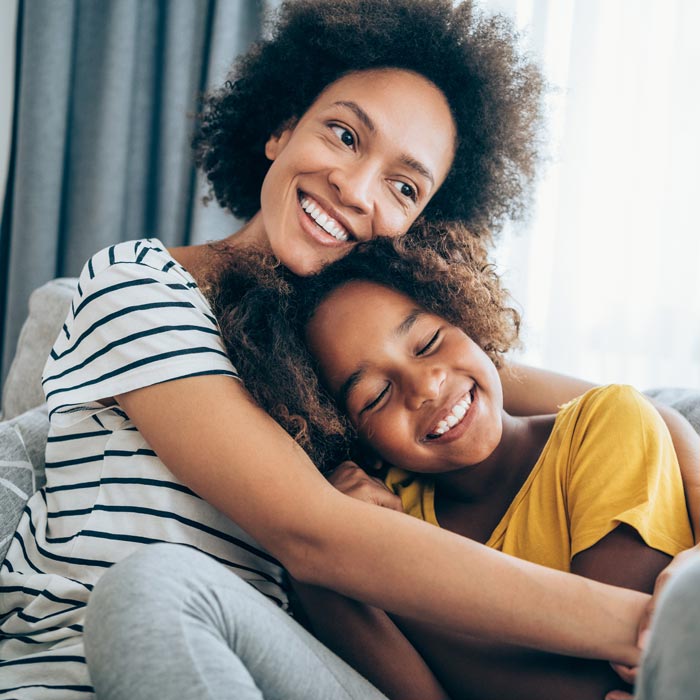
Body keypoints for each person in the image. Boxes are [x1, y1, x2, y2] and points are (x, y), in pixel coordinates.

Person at [1, 1, 697, 698]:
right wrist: (655, 628)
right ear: (280, 127)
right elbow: (313, 535)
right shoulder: (140, 284)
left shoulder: (350, 347)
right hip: (80, 653)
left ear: (419, 225)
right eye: (343, 134)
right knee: (154, 586)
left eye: (404, 186)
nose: (355, 188)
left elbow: (621, 409)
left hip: (282, 663)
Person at [212, 231, 694, 699]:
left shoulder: (608, 423)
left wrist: (384, 584)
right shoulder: (380, 518)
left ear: (468, 319)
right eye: (376, 396)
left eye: (427, 344)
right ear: (352, 437)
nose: (424, 388)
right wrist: (339, 555)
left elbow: (607, 677)